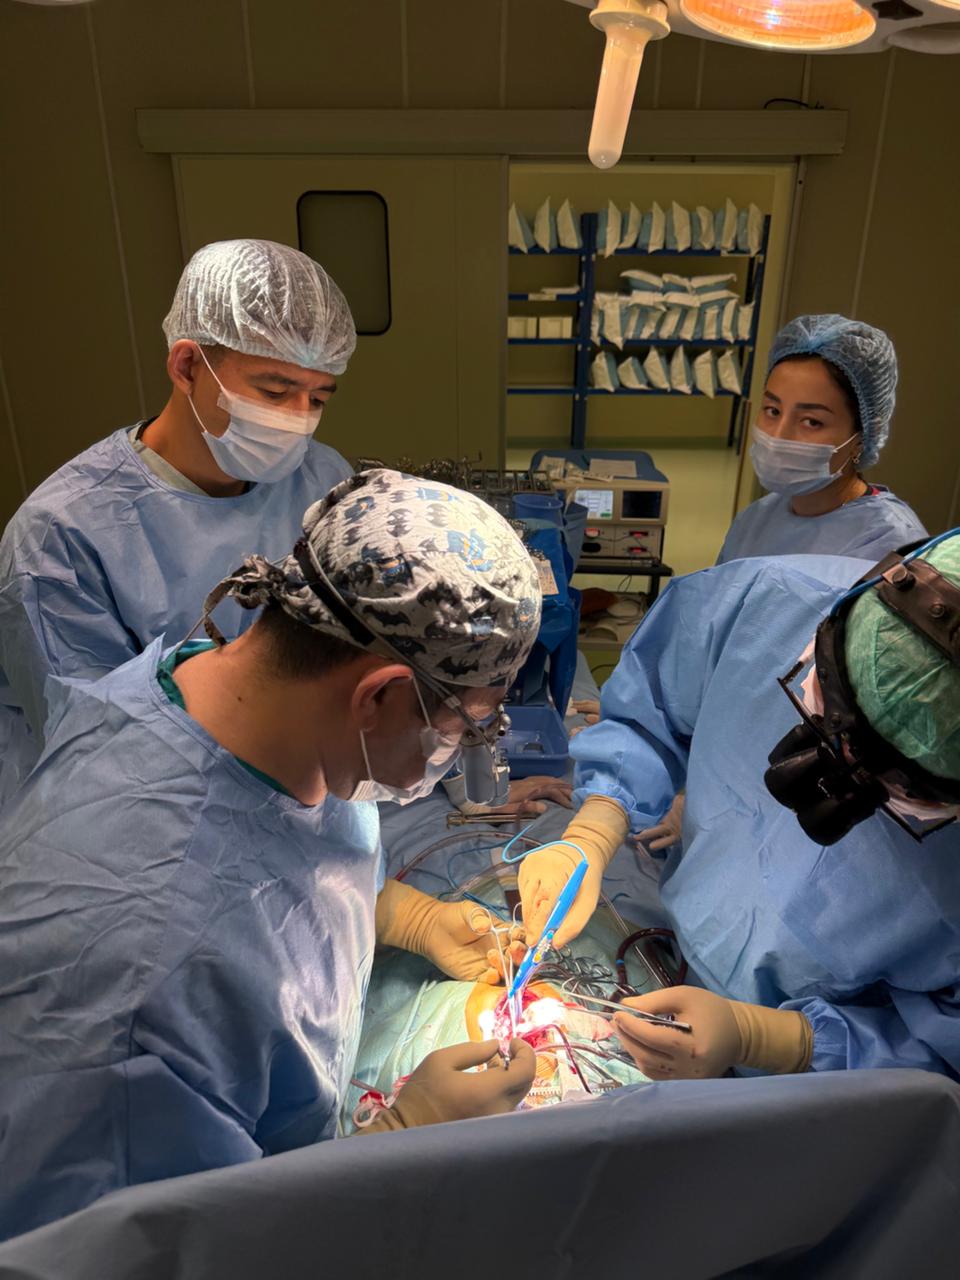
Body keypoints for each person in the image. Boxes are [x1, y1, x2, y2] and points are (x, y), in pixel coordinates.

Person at [0, 469, 542, 1242]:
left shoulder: (223, 689)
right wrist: (396, 1143)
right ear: (378, 695)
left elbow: (275, 857)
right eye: (466, 728)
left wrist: (408, 918)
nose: (456, 753)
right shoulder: (145, 989)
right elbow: (150, 1251)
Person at [516, 533, 960, 1081]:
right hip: (673, 945)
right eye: (825, 721)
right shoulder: (769, 602)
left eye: (899, 785)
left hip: (815, 1080)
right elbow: (651, 712)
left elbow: (946, 1051)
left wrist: (779, 1040)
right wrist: (595, 828)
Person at [0, 239, 357, 807]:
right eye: (274, 390)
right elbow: (98, 754)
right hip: (140, 814)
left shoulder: (321, 478)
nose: (298, 420)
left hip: (301, 779)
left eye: (318, 399)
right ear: (187, 366)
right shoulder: (60, 539)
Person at [717, 314, 927, 565]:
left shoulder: (890, 546)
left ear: (862, 436)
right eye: (773, 411)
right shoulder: (754, 521)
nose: (778, 436)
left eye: (811, 422)